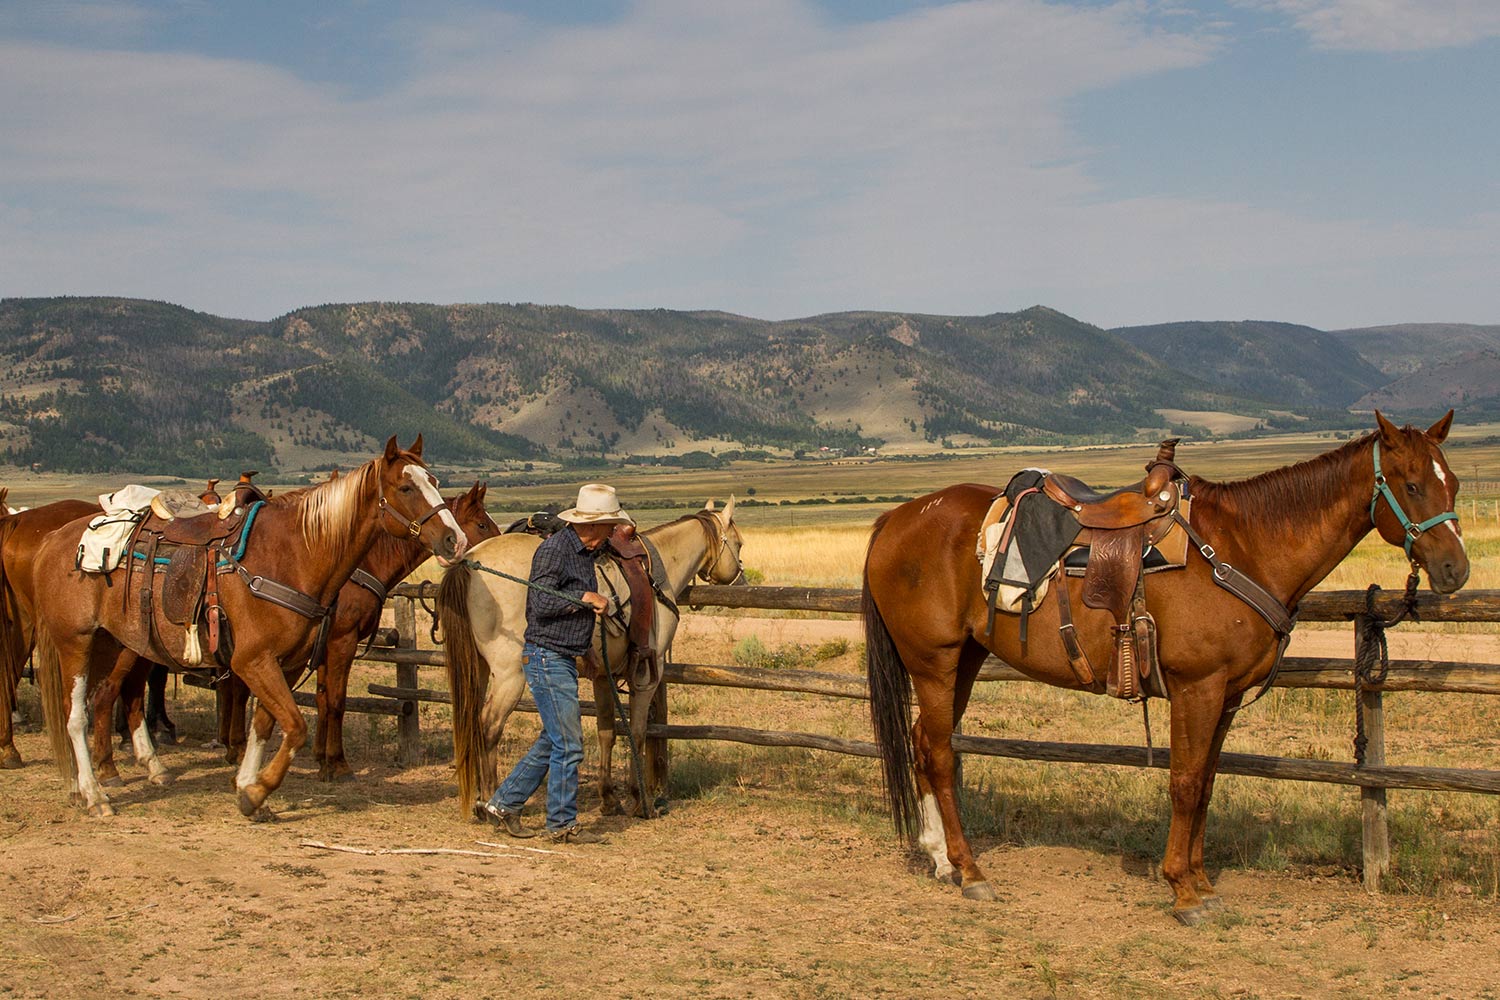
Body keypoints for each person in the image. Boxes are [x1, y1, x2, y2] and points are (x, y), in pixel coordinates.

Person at [474, 483, 633, 844]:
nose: (611, 532)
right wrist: (584, 597)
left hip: (562, 654)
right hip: (546, 657)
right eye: (609, 525)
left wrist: (586, 650)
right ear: (591, 525)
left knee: (554, 739)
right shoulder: (554, 551)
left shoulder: (583, 554)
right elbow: (540, 605)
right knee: (570, 744)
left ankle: (503, 803)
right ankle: (561, 823)